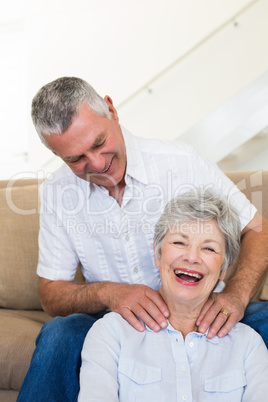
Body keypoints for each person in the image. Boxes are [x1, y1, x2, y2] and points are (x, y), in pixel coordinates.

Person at [18, 77, 268, 401]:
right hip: (119, 322)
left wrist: (236, 294)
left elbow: (257, 230)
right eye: (75, 159)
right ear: (56, 154)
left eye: (98, 143)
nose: (96, 164)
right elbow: (50, 292)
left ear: (111, 109)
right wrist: (109, 293)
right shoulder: (57, 192)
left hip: (204, 309)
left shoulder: (181, 163)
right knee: (58, 336)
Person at [78, 190, 268, 401]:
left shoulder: (248, 344)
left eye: (209, 248)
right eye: (179, 242)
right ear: (157, 253)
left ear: (223, 269)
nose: (192, 257)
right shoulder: (111, 333)